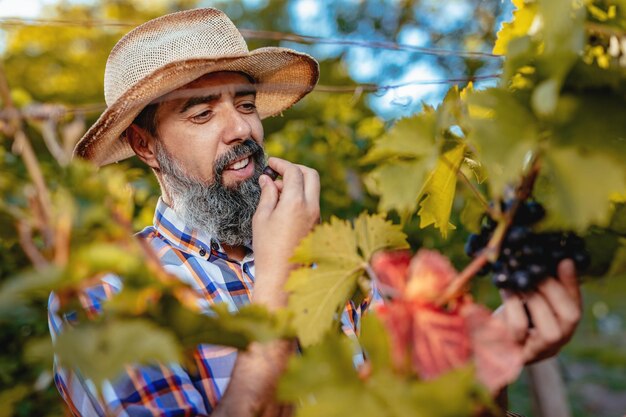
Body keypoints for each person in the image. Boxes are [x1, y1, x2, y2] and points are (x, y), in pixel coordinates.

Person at [48, 7, 582, 417]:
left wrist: (493, 357)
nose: (241, 130)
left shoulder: (341, 260)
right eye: (203, 113)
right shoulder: (107, 287)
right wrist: (278, 275)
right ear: (145, 146)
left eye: (247, 105)